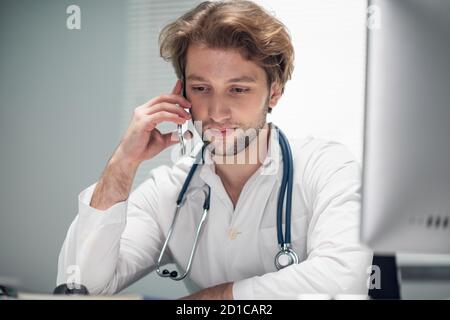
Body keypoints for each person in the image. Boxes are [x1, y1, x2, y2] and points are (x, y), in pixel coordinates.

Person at [57, 0, 372, 299]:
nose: (217, 112)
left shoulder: (327, 167)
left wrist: (217, 297)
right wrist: (123, 163)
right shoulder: (169, 193)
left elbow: (345, 281)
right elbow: (81, 287)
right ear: (182, 92)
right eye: (201, 88)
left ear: (274, 93)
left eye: (238, 89)